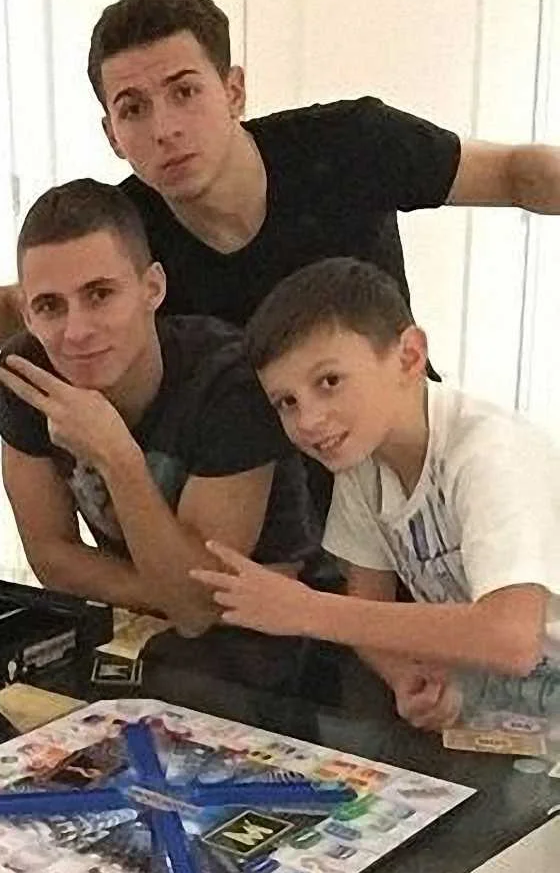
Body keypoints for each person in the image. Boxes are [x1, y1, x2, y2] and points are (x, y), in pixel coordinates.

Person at [0, 0, 560, 347]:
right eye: (133, 108)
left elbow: (514, 174)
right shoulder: (124, 225)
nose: (163, 128)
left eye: (185, 91)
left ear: (234, 92)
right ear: (111, 133)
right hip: (250, 498)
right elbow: (16, 308)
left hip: (394, 468)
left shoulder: (352, 141)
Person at [190, 257, 560, 731]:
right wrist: (404, 675)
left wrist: (306, 609)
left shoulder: (490, 453)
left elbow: (511, 637)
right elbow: (368, 603)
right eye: (287, 402)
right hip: (511, 725)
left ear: (409, 356)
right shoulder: (361, 464)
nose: (308, 421)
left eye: (329, 382)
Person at [0, 178, 317, 635]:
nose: (76, 331)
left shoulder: (231, 380)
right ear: (27, 314)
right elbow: (51, 557)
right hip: (147, 624)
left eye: (100, 294)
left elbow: (198, 610)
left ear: (152, 288)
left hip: (280, 633)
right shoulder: (26, 374)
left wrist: (116, 457)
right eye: (49, 306)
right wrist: (171, 593)